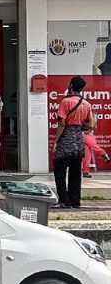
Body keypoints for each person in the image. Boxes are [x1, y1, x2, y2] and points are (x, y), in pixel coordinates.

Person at [53, 76, 95, 209]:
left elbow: (61, 124)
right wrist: (79, 127)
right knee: (76, 173)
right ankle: (75, 201)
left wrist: (56, 141)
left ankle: (64, 201)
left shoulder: (65, 102)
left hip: (66, 140)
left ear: (71, 86)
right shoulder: (86, 104)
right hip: (78, 140)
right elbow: (90, 125)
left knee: (59, 171)